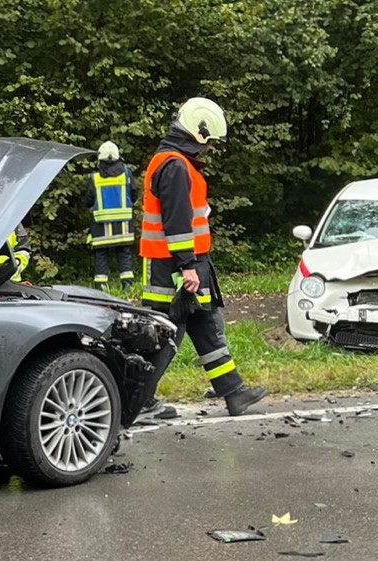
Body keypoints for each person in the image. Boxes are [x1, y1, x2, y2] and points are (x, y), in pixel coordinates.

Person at [139, 97, 267, 416]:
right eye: (209, 140)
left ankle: (233, 392)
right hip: (173, 266)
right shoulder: (174, 166)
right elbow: (177, 221)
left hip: (187, 263)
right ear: (197, 133)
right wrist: (187, 266)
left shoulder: (177, 162)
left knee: (205, 324)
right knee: (168, 332)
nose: (209, 147)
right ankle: (138, 401)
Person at [84, 141, 137, 292]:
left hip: (101, 226)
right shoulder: (127, 173)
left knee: (101, 256)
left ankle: (100, 288)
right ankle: (128, 286)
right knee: (124, 255)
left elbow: (88, 201)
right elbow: (134, 194)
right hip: (124, 225)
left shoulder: (95, 177)